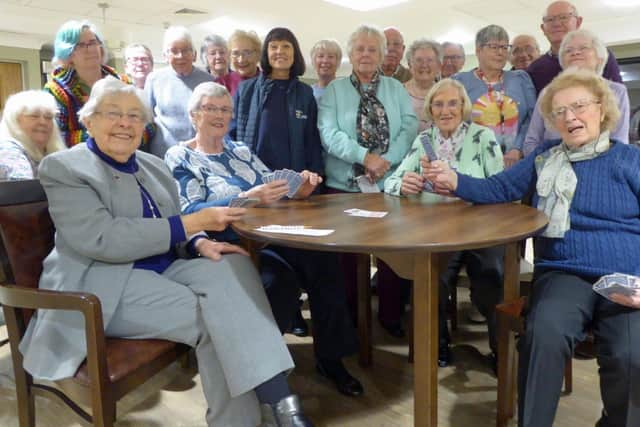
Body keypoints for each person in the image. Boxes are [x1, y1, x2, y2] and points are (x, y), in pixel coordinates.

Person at [18, 76, 313, 427]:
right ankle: (277, 404)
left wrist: (199, 241)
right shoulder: (65, 167)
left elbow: (172, 220)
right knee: (218, 317)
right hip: (99, 282)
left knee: (236, 265)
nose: (125, 123)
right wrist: (191, 225)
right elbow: (100, 238)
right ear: (89, 119)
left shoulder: (152, 165)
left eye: (135, 116)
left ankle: (263, 409)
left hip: (164, 268)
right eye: (114, 113)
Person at [425, 68, 640, 427]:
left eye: (579, 106)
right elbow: (499, 188)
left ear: (602, 109)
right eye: (560, 112)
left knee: (630, 354)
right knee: (543, 336)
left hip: (627, 276)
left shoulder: (631, 160)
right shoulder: (545, 156)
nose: (570, 117)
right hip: (564, 272)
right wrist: (455, 180)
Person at [228, 28, 364, 397]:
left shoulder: (305, 93)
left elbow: (312, 147)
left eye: (286, 46)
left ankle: (331, 359)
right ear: (266, 54)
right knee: (276, 282)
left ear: (294, 53)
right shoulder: (248, 91)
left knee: (327, 274)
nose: (280, 52)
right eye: (274, 46)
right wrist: (249, 190)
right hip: (257, 205)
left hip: (300, 204)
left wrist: (313, 184)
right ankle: (267, 366)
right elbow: (237, 141)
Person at [385, 78, 504, 367]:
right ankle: (437, 345)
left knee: (490, 277)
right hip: (437, 230)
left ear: (463, 106)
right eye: (438, 104)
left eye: (452, 103)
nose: (445, 110)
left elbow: (501, 188)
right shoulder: (423, 140)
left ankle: (501, 350)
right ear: (430, 110)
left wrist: (459, 185)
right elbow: (390, 180)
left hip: (480, 228)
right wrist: (404, 183)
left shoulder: (482, 137)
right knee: (430, 280)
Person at [318, 24, 417, 338]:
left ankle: (389, 315)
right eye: (359, 48)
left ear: (382, 54)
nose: (365, 54)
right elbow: (328, 133)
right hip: (344, 186)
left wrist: (385, 161)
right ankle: (350, 318)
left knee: (393, 254)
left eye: (372, 49)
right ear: (350, 54)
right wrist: (365, 157)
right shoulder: (334, 90)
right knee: (346, 259)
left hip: (388, 185)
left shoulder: (396, 88)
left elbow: (410, 127)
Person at [44, 20, 152, 148]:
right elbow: (54, 136)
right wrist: (106, 135)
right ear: (68, 53)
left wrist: (128, 138)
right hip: (81, 161)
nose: (89, 49)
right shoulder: (56, 90)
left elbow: (149, 125)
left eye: (93, 42)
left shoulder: (125, 83)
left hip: (128, 158)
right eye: (80, 45)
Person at [523, 29, 630, 156]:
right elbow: (531, 142)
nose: (575, 53)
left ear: (600, 58)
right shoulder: (547, 92)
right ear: (562, 61)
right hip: (550, 167)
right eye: (568, 50)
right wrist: (551, 163)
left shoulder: (617, 91)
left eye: (583, 48)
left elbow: (620, 142)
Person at [453, 25, 536, 168]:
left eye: (504, 47)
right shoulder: (459, 82)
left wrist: (517, 149)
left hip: (515, 163)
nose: (500, 53)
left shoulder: (520, 79)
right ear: (478, 50)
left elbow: (532, 119)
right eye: (494, 47)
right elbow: (453, 122)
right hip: (473, 163)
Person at [145, 26, 213, 158]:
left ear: (194, 54)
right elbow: (147, 117)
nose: (180, 56)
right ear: (165, 55)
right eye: (174, 51)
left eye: (186, 50)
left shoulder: (208, 80)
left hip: (200, 153)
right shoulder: (154, 79)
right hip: (163, 153)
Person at [527, 1, 622, 94]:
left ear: (578, 22)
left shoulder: (597, 56)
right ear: (543, 28)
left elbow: (617, 100)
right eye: (550, 19)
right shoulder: (535, 69)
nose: (556, 24)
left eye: (563, 17)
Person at [0, 90, 65, 180]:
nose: (43, 122)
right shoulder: (7, 149)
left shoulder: (52, 153)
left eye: (48, 117)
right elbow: (22, 187)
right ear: (14, 120)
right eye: (34, 116)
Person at [404, 39, 441, 132]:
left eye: (430, 60)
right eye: (419, 60)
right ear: (409, 64)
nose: (424, 65)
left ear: (438, 66)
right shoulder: (398, 93)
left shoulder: (446, 93)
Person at [225, 29, 262, 95]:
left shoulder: (270, 83)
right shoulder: (222, 84)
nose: (241, 60)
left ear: (258, 54)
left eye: (247, 53)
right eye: (235, 53)